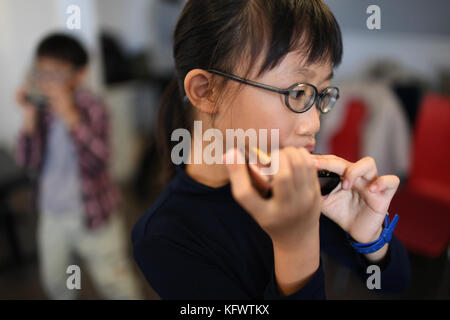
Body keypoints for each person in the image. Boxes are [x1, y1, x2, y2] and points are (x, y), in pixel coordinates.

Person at [132, 0, 410, 299]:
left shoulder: (300, 181)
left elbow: (392, 284)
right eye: (296, 92)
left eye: (320, 94)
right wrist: (296, 244)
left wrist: (370, 237)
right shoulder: (164, 237)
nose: (314, 123)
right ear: (205, 91)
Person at [16, 33, 142, 300]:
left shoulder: (93, 108)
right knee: (57, 282)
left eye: (56, 74)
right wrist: (28, 115)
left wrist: (71, 117)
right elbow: (27, 161)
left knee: (114, 281)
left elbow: (99, 160)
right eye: (41, 72)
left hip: (94, 213)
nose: (47, 82)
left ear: (79, 75)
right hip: (52, 214)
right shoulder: (40, 111)